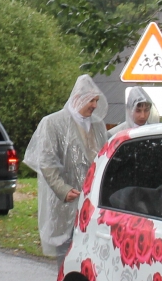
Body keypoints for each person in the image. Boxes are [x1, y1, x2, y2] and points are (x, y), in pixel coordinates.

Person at [23, 74, 110, 258]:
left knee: (90, 255)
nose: (94, 105)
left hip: (93, 202)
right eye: (90, 100)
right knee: (67, 252)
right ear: (77, 98)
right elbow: (46, 162)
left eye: (96, 100)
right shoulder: (53, 123)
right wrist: (62, 189)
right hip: (66, 202)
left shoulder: (98, 126)